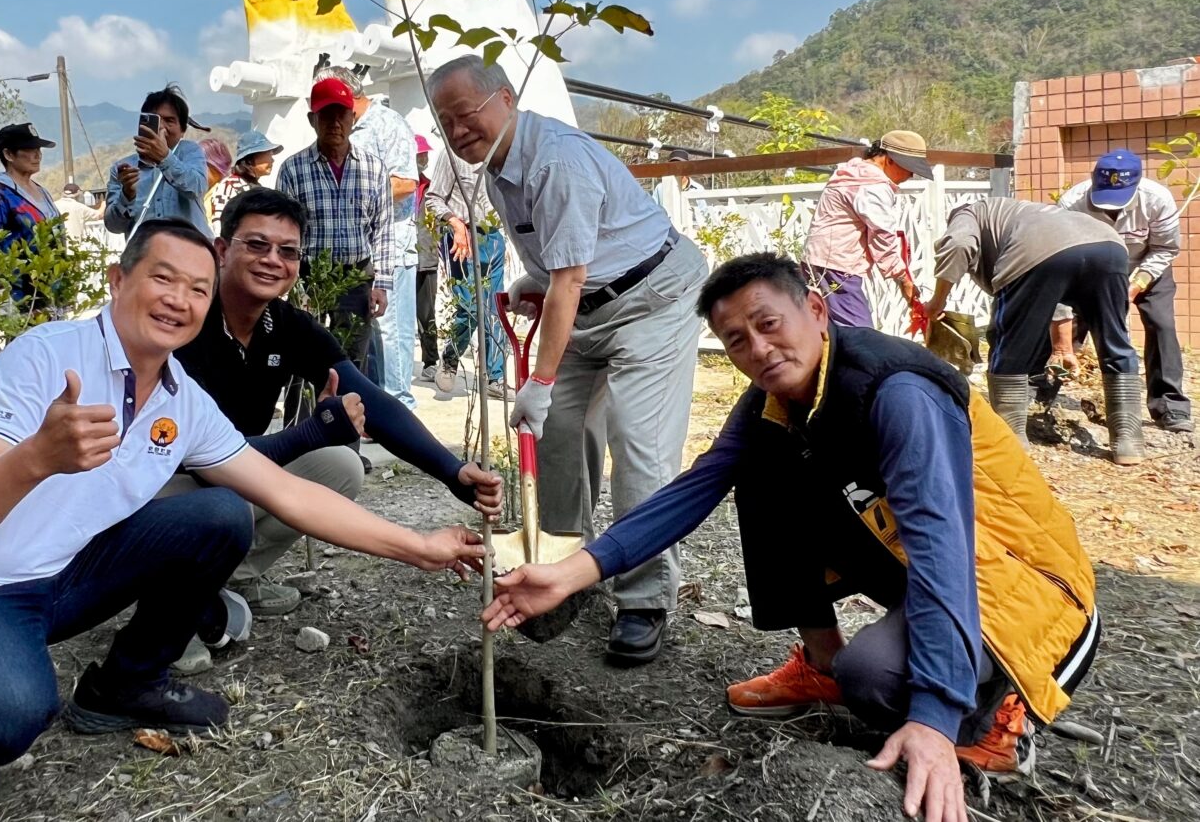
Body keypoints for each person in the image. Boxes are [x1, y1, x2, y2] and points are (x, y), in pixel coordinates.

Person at [0, 217, 485, 811]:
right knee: (13, 712)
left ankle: (128, 683)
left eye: (197, 289)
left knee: (222, 513)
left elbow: (289, 493)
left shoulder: (181, 397)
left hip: (70, 574)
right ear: (118, 280)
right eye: (163, 279)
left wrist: (420, 546)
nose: (179, 300)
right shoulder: (46, 358)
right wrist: (35, 460)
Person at [485, 254, 1100, 822]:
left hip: (1027, 588)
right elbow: (694, 489)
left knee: (875, 680)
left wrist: (936, 718)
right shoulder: (773, 403)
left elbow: (942, 546)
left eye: (769, 323)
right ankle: (823, 662)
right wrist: (572, 572)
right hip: (922, 566)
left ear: (815, 310)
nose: (759, 348)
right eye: (737, 340)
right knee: (762, 470)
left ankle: (995, 716)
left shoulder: (900, 393)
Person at [428, 55, 710, 665]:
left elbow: (572, 276)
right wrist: (533, 280)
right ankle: (561, 571)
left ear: (504, 97)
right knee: (554, 432)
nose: (457, 133)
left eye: (465, 115)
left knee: (638, 447)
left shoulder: (555, 157)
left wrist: (541, 377)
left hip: (654, 299)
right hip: (587, 307)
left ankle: (643, 598)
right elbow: (562, 263)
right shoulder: (498, 169)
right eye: (445, 122)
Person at [172, 187, 502, 617]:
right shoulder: (185, 318)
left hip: (233, 474)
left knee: (339, 465)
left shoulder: (286, 326)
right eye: (256, 244)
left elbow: (370, 400)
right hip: (167, 479)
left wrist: (451, 470)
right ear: (221, 249)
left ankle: (232, 579)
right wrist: (309, 432)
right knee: (220, 508)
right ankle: (172, 601)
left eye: (288, 251)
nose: (273, 259)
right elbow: (201, 456)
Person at [924, 197, 1142, 462]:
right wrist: (1062, 348)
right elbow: (1058, 289)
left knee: (1011, 346)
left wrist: (937, 302)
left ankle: (1010, 438)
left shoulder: (968, 212)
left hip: (1039, 252)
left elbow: (958, 244)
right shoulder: (1026, 213)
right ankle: (1127, 442)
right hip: (1109, 247)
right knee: (1115, 341)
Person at [1052, 149, 1190, 432]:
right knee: (1066, 323)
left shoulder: (1157, 200)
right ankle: (1041, 390)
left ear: (1136, 185)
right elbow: (1059, 257)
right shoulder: (1072, 203)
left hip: (1146, 265)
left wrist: (1136, 285)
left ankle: (1169, 405)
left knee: (1161, 324)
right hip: (1091, 269)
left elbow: (1165, 248)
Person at [275, 76, 394, 371]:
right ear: (312, 119)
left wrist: (382, 285)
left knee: (354, 364)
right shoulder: (293, 169)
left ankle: (349, 417)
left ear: (353, 117)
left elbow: (383, 229)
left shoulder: (373, 169)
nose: (335, 123)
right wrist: (292, 283)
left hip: (357, 279)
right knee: (303, 361)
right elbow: (283, 233)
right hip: (309, 278)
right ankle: (303, 418)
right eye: (326, 115)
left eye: (341, 114)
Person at [338, 69, 420, 407]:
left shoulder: (388, 124)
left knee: (391, 333)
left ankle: (401, 410)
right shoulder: (345, 128)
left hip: (392, 247)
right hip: (359, 251)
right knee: (367, 335)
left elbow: (406, 182)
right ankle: (375, 409)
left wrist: (358, 191)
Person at [800, 132, 928, 327]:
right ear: (890, 159)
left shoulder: (853, 172)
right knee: (860, 335)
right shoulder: (873, 186)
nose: (911, 175)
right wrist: (904, 280)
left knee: (831, 332)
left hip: (817, 262)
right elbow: (882, 236)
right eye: (909, 168)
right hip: (838, 267)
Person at [423, 134, 508, 398]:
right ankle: (449, 360)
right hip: (462, 238)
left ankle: (495, 377)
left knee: (495, 309)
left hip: (492, 237)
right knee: (469, 308)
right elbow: (433, 198)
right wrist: (456, 224)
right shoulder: (453, 153)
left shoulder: (500, 150)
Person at [104, 84, 213, 238]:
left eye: (169, 121)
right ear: (142, 125)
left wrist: (164, 158)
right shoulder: (123, 168)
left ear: (182, 130)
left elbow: (196, 187)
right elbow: (113, 226)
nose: (161, 127)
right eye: (155, 120)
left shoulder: (191, 151)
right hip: (146, 257)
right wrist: (127, 195)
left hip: (190, 254)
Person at [0, 123, 61, 305]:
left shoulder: (42, 191)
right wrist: (1, 298)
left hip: (51, 290)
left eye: (38, 149)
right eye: (29, 149)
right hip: (21, 295)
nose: (37, 155)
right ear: (8, 155)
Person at [204, 129, 283, 233]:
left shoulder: (254, 188)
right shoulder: (229, 187)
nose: (272, 160)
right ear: (251, 159)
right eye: (268, 154)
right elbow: (219, 225)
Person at [413, 136, 440, 383]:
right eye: (420, 154)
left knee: (427, 313)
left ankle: (431, 361)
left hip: (427, 258)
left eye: (425, 155)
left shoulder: (431, 188)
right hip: (402, 258)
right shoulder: (402, 187)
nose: (425, 159)